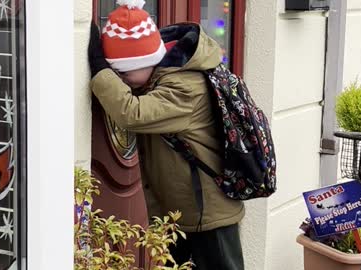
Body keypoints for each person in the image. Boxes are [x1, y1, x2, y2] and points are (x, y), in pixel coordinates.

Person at [88, 1, 245, 269]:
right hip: (183, 210)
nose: (121, 80)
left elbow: (132, 113)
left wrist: (101, 70)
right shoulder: (163, 75)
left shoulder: (185, 86)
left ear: (147, 61)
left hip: (209, 214)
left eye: (123, 72)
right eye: (117, 74)